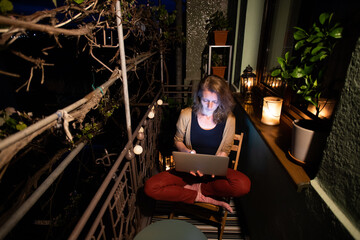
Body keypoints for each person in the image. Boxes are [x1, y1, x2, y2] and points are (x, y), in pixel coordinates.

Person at [144, 75, 251, 213]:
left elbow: (226, 148)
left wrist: (221, 157)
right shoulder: (187, 114)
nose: (210, 106)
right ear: (199, 97)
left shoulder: (229, 119)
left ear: (222, 100)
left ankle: (200, 189)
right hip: (189, 171)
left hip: (213, 175)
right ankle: (196, 196)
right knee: (150, 187)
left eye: (215, 101)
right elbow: (178, 140)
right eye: (206, 100)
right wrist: (187, 153)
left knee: (243, 185)